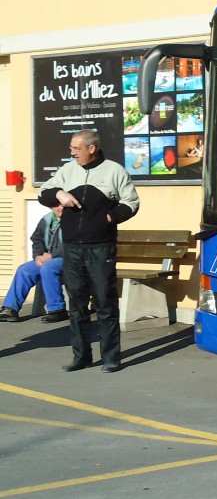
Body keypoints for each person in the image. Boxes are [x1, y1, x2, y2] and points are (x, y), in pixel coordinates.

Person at [38, 129, 140, 373]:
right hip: (72, 248)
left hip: (101, 247)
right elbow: (43, 193)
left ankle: (111, 357)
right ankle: (81, 356)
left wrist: (109, 217)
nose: (72, 153)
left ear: (91, 148)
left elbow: (131, 202)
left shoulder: (114, 171)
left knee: (105, 303)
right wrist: (59, 194)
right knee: (77, 304)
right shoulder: (67, 171)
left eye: (76, 148)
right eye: (72, 148)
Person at [0, 204, 67, 323]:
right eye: (56, 205)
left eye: (62, 205)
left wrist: (51, 256)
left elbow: (72, 243)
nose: (60, 208)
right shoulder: (46, 220)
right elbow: (37, 240)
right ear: (51, 206)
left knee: (48, 268)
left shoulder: (75, 220)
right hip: (48, 257)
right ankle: (10, 308)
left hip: (69, 257)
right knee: (24, 270)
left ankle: (57, 310)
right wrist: (37, 257)